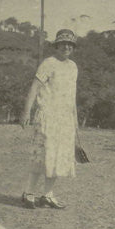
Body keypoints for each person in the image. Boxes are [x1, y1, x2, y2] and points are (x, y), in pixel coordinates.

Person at [20, 28, 80, 209]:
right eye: (63, 44)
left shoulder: (73, 67)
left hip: (65, 119)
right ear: (57, 45)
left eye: (70, 44)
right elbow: (35, 87)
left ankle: (47, 194)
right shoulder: (49, 63)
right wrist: (26, 112)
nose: (66, 47)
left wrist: (75, 120)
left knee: (59, 156)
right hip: (47, 116)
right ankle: (28, 192)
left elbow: (72, 96)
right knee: (42, 155)